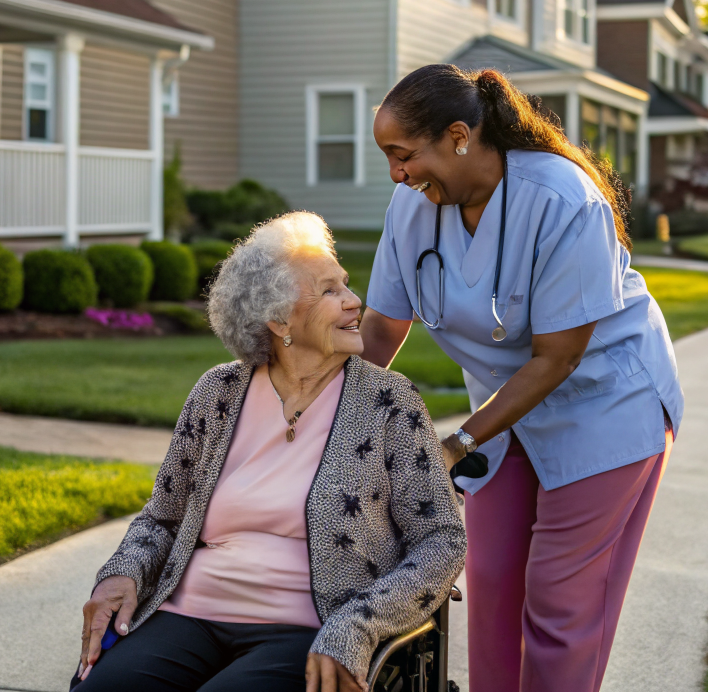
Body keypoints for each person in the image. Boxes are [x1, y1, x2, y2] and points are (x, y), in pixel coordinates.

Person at [360, 65, 684, 692]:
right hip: (505, 416)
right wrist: (319, 413)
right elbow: (380, 331)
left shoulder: (562, 198)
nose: (396, 174)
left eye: (403, 155)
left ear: (458, 135)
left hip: (604, 407)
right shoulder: (411, 208)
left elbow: (558, 357)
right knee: (491, 586)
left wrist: (459, 443)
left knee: (561, 602)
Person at [76, 212, 466, 692]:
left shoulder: (388, 402)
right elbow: (162, 517)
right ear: (278, 319)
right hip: (190, 615)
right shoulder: (218, 392)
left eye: (345, 285)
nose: (354, 301)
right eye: (329, 292)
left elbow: (442, 540)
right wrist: (121, 573)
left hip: (309, 628)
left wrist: (357, 626)